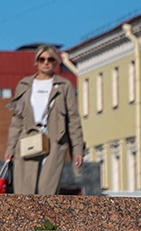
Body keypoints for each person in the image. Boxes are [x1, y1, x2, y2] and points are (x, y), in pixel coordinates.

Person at [5, 45, 84, 195]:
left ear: (55, 62)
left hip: (54, 140)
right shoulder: (24, 85)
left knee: (47, 189)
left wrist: (78, 149)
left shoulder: (64, 86)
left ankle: (45, 219)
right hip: (28, 138)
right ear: (36, 62)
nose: (46, 62)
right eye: (42, 59)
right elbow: (17, 119)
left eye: (50, 59)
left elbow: (73, 120)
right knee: (25, 189)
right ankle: (26, 218)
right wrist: (10, 148)